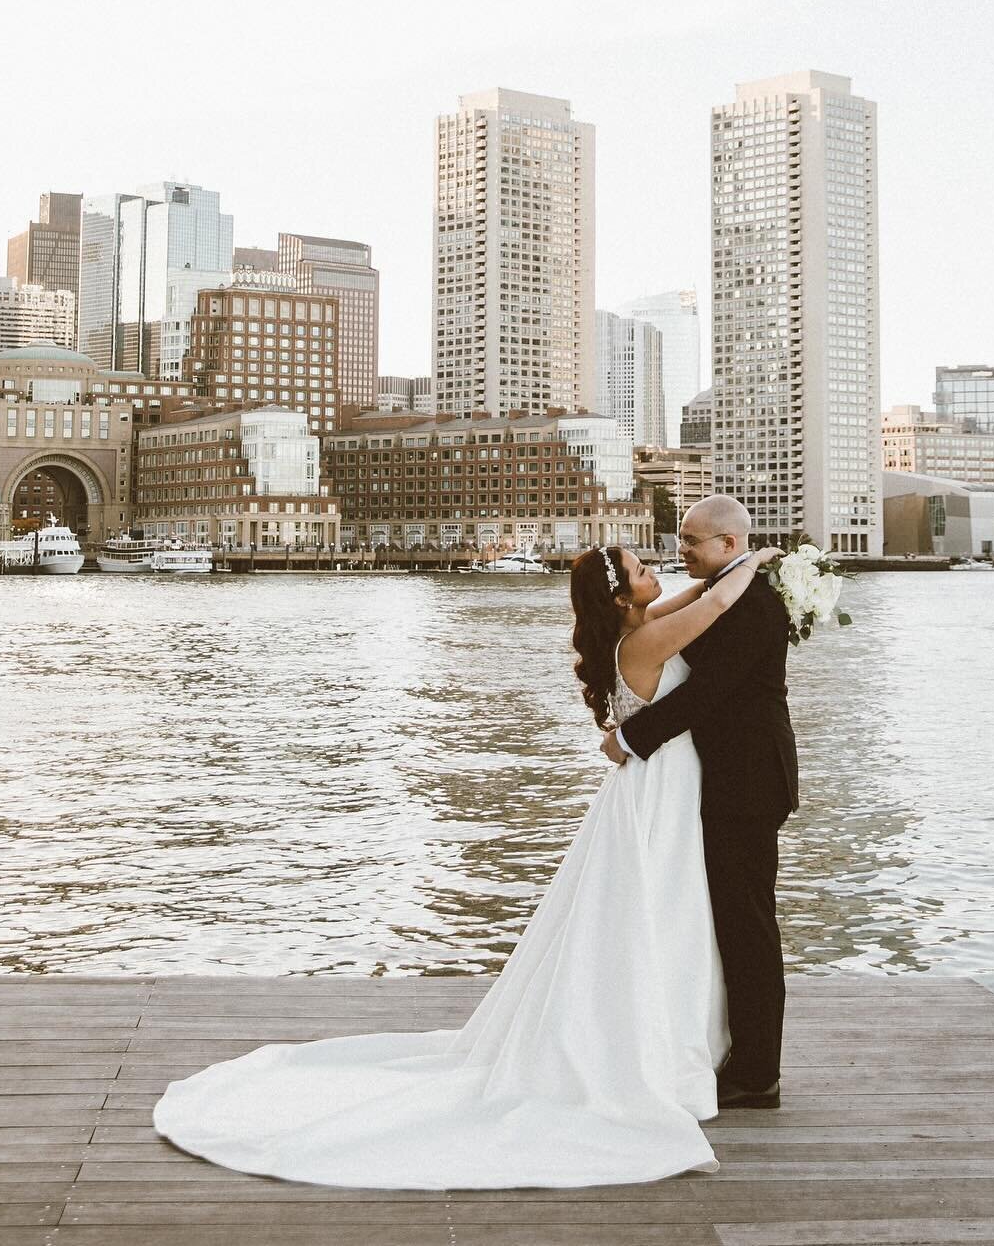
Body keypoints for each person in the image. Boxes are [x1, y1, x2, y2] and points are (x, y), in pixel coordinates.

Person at [152, 535, 776, 1189]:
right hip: (658, 795)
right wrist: (753, 563)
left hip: (658, 790)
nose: (658, 572)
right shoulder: (646, 641)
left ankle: (674, 1040)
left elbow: (697, 597)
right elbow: (713, 604)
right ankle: (654, 1051)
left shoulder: (641, 627)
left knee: (658, 914)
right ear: (621, 597)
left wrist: (725, 575)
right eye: (644, 570)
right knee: (662, 910)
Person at [603, 495, 798, 1110]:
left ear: (728, 545)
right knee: (730, 922)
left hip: (747, 783)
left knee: (748, 927)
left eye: (690, 540)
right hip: (722, 779)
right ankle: (733, 1051)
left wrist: (630, 738)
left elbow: (709, 693)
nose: (679, 548)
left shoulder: (750, 605)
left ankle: (757, 1071)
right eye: (680, 538)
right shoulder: (728, 588)